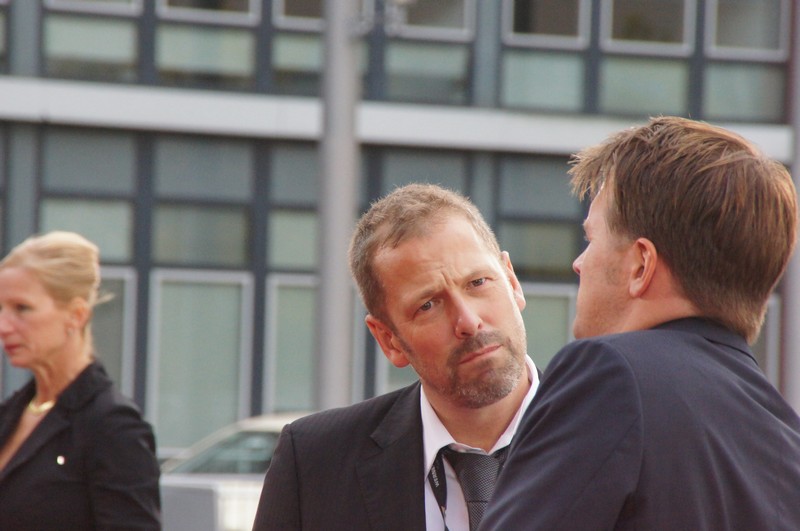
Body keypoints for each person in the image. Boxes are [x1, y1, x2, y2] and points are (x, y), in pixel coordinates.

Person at [481, 116, 800, 530]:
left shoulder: (610, 375)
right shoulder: (784, 437)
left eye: (591, 239)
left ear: (641, 265)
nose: (579, 263)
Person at [252, 183, 540, 530]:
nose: (468, 321)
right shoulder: (315, 464)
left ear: (512, 281)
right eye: (428, 305)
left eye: (478, 282)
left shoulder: (600, 435)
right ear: (389, 340)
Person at [0, 231, 161, 530]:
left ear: (76, 315)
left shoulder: (112, 426)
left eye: (22, 308)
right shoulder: (11, 413)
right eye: (1, 308)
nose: (4, 326)